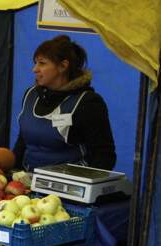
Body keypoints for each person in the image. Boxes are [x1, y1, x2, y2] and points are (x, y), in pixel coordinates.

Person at [13, 35, 117, 171]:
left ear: (63, 66)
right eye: (35, 63)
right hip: (27, 182)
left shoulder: (88, 103)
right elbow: (23, 143)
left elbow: (104, 156)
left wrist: (84, 188)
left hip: (69, 186)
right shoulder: (30, 95)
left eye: (42, 63)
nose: (35, 69)